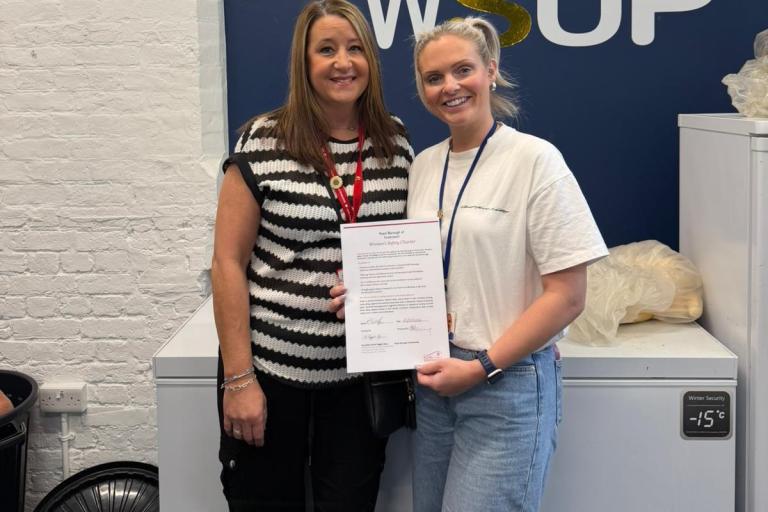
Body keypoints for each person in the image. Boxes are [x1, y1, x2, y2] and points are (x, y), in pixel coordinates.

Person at [210, 1, 413, 510]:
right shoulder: (262, 140)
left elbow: (409, 259)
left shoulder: (395, 143)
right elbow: (227, 264)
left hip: (358, 382)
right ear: (304, 63)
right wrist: (239, 380)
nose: (343, 62)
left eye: (355, 48)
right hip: (271, 374)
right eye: (326, 49)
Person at [407, 17, 608, 512]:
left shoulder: (535, 161)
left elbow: (568, 295)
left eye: (463, 70)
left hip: (505, 384)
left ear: (490, 71)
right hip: (436, 384)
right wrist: (368, 296)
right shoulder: (423, 165)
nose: (450, 87)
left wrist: (481, 367)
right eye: (434, 78)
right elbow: (418, 270)